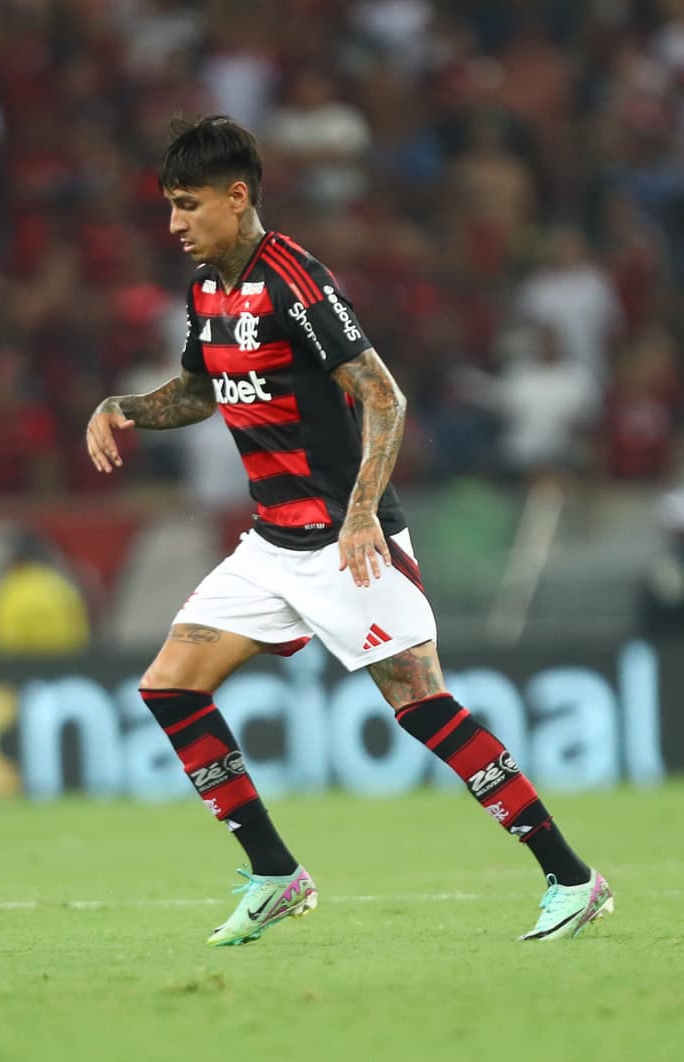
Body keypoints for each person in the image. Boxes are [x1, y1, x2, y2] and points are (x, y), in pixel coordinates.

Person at [86, 116, 613, 947]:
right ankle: (274, 875)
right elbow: (199, 391)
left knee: (421, 706)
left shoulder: (293, 279)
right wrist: (123, 409)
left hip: (344, 541)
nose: (175, 224)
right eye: (169, 208)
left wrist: (363, 512)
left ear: (238, 196)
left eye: (188, 206)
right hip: (270, 547)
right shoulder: (207, 292)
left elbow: (383, 395)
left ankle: (573, 879)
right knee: (169, 687)